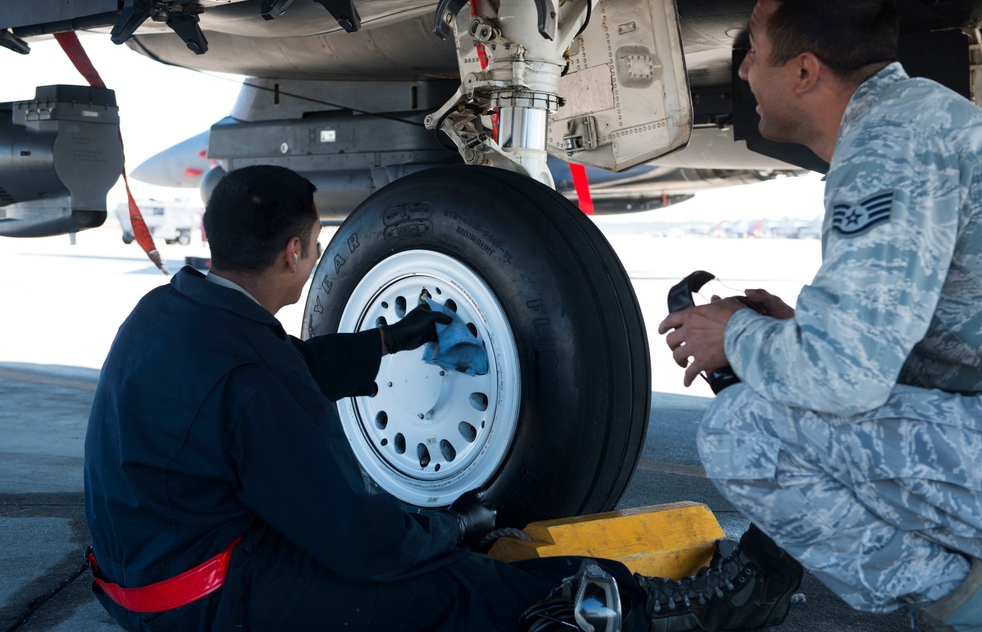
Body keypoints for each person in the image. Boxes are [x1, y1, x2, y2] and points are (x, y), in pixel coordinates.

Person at [85, 164, 800, 632]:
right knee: (461, 588)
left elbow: (295, 364)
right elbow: (359, 539)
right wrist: (451, 528)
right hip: (198, 599)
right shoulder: (254, 377)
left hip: (143, 570)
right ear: (298, 253)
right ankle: (663, 608)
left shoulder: (175, 313)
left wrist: (393, 340)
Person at [659, 0, 982, 630]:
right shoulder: (914, 120)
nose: (744, 70)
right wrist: (790, 330)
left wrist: (731, 336)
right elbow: (930, 337)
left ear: (805, 71)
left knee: (744, 432)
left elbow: (845, 378)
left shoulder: (888, 147)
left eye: (754, 50)